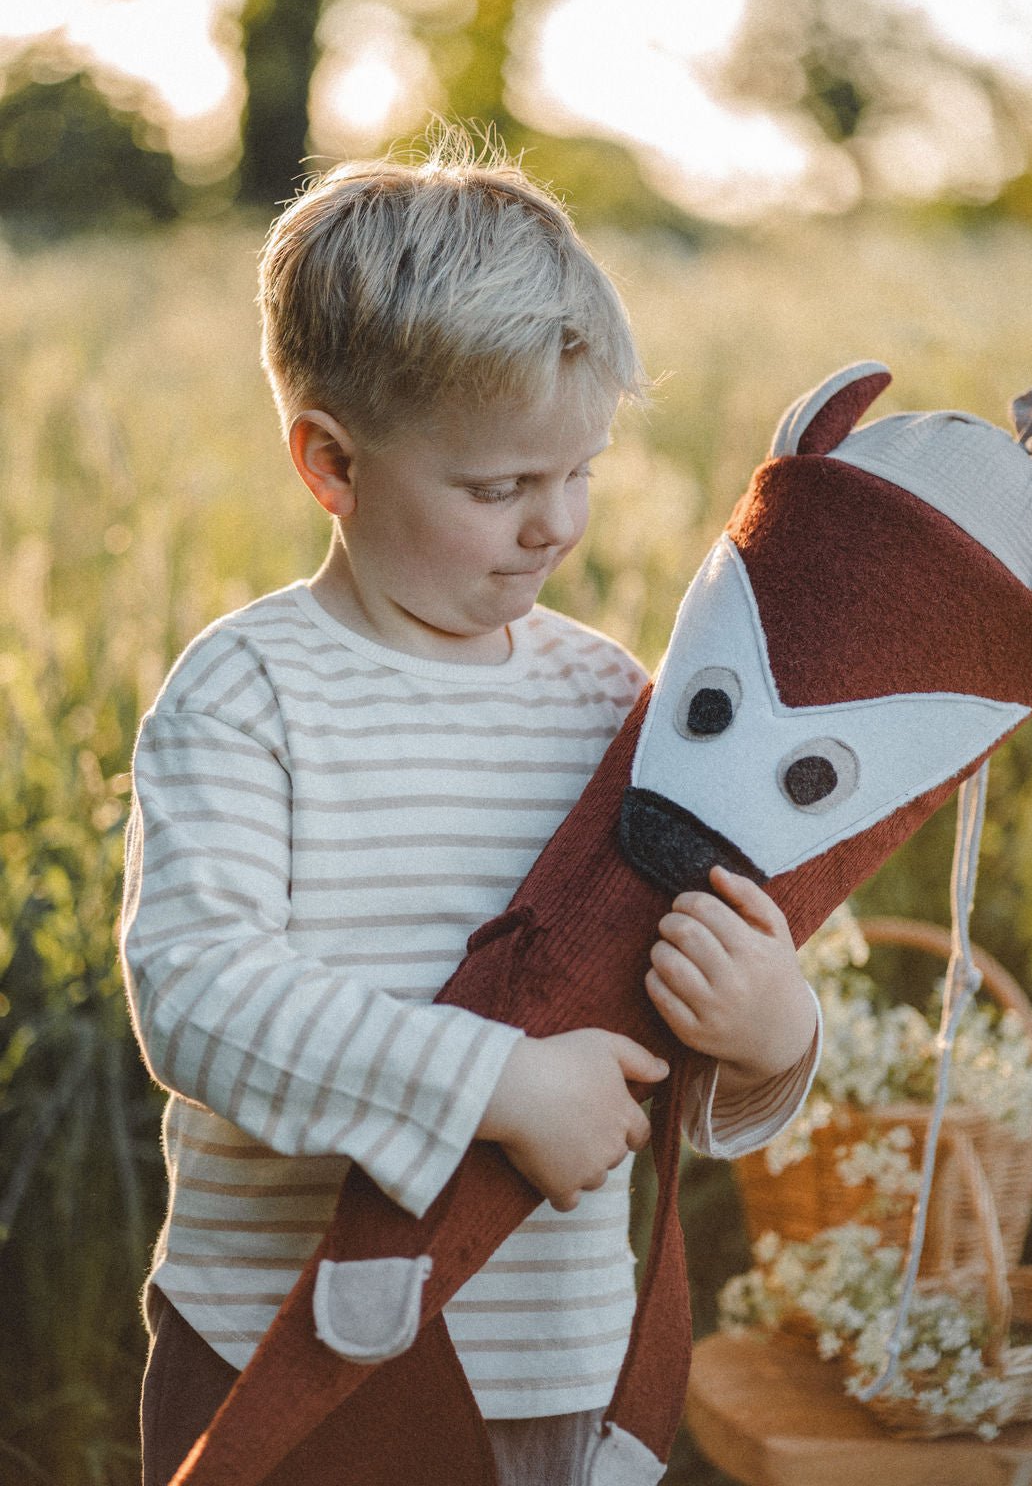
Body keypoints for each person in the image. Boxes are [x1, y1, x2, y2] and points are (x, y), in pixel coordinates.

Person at [120, 132, 820, 1486]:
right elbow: (197, 991)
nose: (554, 523)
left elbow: (654, 1025)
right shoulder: (251, 691)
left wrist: (770, 1031)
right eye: (499, 488)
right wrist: (494, 1085)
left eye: (581, 470)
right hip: (280, 1357)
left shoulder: (611, 704)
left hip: (549, 1367)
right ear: (332, 463)